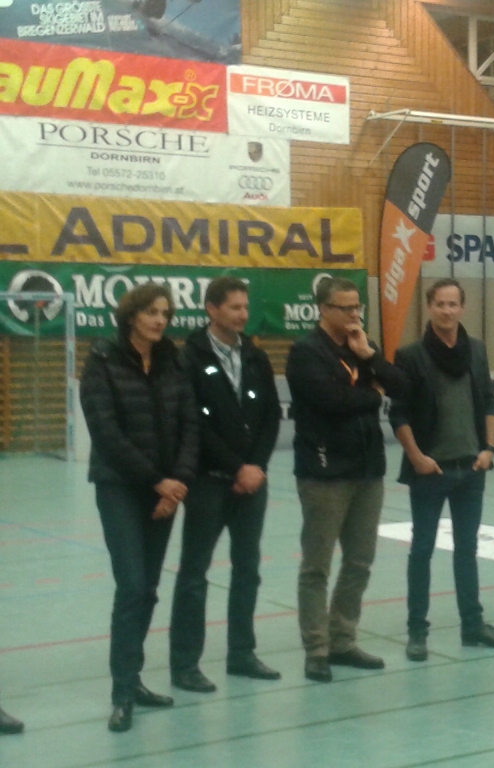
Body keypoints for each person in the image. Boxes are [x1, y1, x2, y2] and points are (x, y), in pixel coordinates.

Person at [79, 283, 198, 732]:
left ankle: (135, 677)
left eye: (165, 313)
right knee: (131, 585)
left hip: (166, 491)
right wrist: (156, 480)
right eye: (151, 312)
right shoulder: (103, 360)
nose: (159, 320)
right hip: (120, 488)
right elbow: (104, 429)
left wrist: (176, 483)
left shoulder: (174, 362)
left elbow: (190, 425)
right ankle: (122, 693)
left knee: (148, 588)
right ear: (131, 315)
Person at [390, 278, 494, 662]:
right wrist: (417, 457)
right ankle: (417, 632)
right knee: (422, 550)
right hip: (431, 472)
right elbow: (399, 414)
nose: (447, 310)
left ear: (462, 307)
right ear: (430, 307)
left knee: (467, 550)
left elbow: (489, 402)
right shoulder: (410, 356)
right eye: (440, 304)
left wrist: (489, 449)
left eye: (453, 304)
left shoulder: (476, 350)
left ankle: (473, 626)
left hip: (471, 469)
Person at [286, 277, 406, 683]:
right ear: (324, 309)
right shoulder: (306, 352)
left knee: (359, 561)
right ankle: (316, 648)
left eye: (357, 307)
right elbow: (331, 401)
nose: (354, 314)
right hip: (324, 473)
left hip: (368, 470)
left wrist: (369, 359)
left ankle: (342, 639)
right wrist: (372, 395)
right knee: (316, 566)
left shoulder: (361, 345)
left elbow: (400, 386)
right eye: (346, 308)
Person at [169, 277, 282, 693]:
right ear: (211, 309)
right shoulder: (188, 357)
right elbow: (194, 423)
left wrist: (257, 466)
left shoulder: (254, 355)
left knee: (247, 570)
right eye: (234, 307)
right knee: (194, 574)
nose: (242, 314)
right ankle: (185, 664)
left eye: (245, 307)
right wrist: (237, 467)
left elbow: (271, 414)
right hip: (208, 483)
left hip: (252, 483)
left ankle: (242, 654)